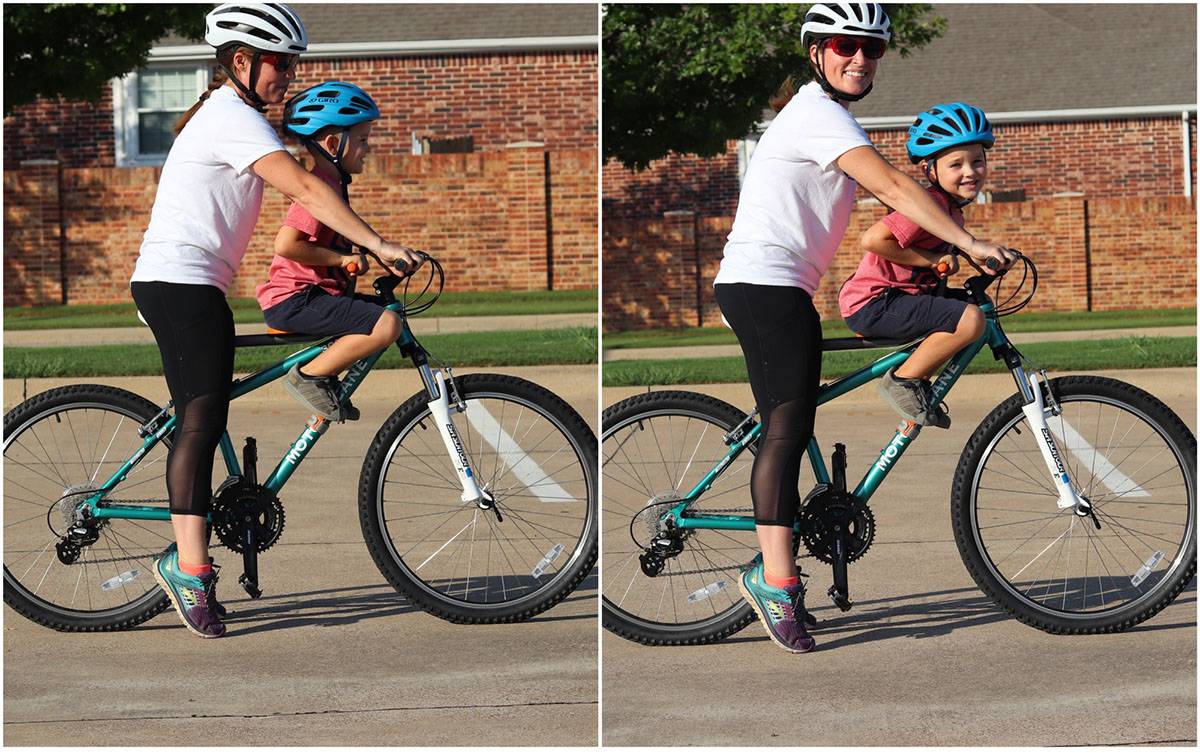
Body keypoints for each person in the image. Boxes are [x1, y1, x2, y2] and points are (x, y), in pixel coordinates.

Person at [711, 2, 1016, 654]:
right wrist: (967, 241)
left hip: (778, 288)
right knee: (788, 429)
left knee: (790, 420)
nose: (859, 58)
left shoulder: (832, 118)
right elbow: (898, 192)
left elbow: (899, 196)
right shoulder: (817, 114)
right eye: (845, 45)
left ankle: (781, 565)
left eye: (872, 48)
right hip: (764, 286)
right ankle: (775, 581)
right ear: (817, 53)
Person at [129, 3, 420, 639]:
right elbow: (309, 192)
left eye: (290, 65)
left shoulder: (239, 119)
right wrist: (378, 245)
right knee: (203, 419)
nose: (287, 77)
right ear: (241, 61)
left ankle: (193, 554)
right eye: (279, 65)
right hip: (178, 282)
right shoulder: (228, 117)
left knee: (203, 412)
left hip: (192, 283)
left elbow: (305, 172)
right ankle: (190, 569)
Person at [839, 102, 995, 429]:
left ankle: (916, 381)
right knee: (969, 319)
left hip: (898, 299)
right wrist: (935, 259)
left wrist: (985, 254)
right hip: (876, 302)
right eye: (956, 164)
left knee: (969, 310)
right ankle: (904, 381)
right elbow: (873, 240)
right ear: (930, 170)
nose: (970, 171)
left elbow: (961, 243)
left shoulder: (950, 212)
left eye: (977, 161)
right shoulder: (928, 206)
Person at [255, 81, 402, 422]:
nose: (368, 148)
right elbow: (287, 245)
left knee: (389, 313)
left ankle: (325, 380)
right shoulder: (318, 191)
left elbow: (349, 234)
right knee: (386, 324)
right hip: (295, 300)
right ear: (334, 143)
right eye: (362, 140)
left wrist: (383, 254)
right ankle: (310, 377)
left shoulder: (332, 187)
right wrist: (341, 259)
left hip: (312, 296)